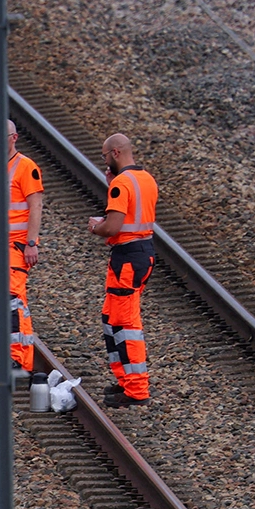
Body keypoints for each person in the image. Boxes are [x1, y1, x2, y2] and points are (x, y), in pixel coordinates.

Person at [87, 133, 156, 408]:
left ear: (115, 153)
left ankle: (137, 390)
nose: (104, 161)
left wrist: (95, 226)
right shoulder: (146, 179)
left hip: (127, 258)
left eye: (104, 156)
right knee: (112, 318)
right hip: (141, 253)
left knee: (126, 324)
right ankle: (126, 381)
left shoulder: (122, 184)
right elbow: (134, 216)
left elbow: (113, 227)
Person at [7, 120, 44, 372]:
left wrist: (31, 243)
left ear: (14, 138)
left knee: (13, 298)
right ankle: (16, 356)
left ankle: (18, 358)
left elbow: (36, 206)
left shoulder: (26, 166)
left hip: (17, 245)